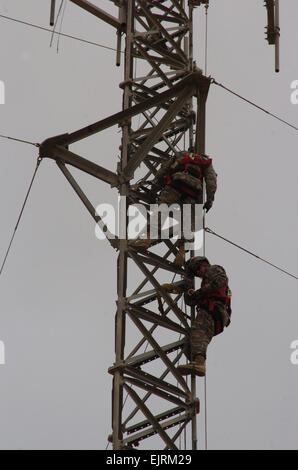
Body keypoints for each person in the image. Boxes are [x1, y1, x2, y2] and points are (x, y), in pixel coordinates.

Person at [135, 149, 217, 264]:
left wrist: (155, 188)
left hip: (176, 183)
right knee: (188, 222)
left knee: (161, 211)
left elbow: (164, 169)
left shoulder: (181, 154)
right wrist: (210, 200)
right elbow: (211, 180)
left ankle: (146, 239)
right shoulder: (205, 161)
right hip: (193, 191)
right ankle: (181, 253)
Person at [175, 256, 232, 377]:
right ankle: (196, 362)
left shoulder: (213, 269)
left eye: (198, 268)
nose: (198, 272)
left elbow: (221, 281)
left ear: (204, 264)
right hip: (214, 314)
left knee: (198, 331)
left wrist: (201, 292)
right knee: (191, 339)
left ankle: (199, 363)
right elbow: (190, 301)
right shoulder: (204, 283)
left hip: (213, 310)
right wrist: (189, 283)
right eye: (196, 272)